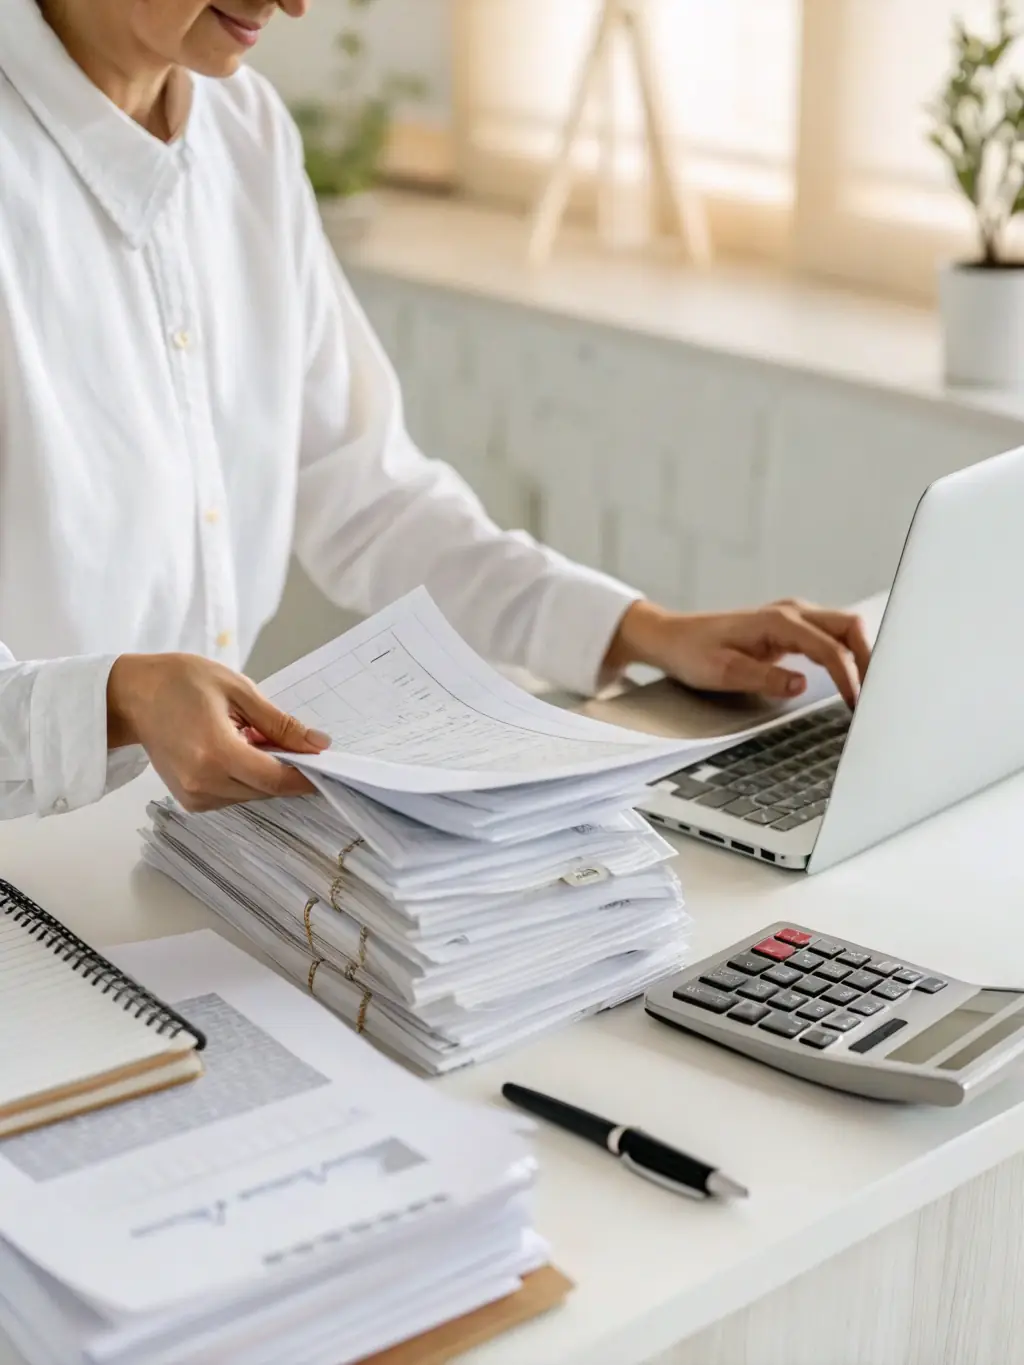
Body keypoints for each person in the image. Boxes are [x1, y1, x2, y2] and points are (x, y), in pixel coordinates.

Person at [0, 0, 871, 821]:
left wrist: (642, 630)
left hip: (180, 850)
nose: (298, 5)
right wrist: (120, 697)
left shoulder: (246, 133)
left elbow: (373, 501)